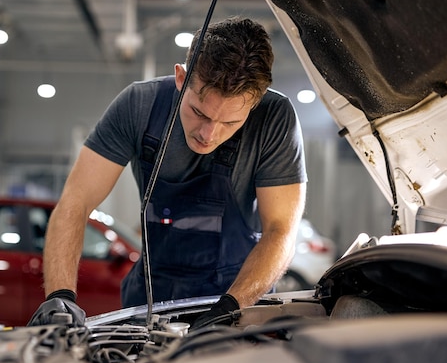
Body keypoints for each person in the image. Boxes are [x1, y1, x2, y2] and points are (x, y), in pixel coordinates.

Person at [27, 16, 307, 329]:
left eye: (230, 123)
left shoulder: (275, 119)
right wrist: (61, 295)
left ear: (255, 102)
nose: (209, 134)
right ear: (180, 77)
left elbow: (281, 231)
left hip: (235, 299)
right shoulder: (138, 106)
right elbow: (74, 204)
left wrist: (231, 306)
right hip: (150, 297)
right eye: (199, 112)